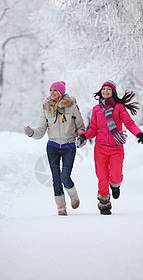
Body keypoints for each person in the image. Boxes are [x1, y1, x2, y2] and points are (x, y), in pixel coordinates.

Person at [77, 80, 143, 215]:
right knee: (102, 177)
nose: (105, 91)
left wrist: (138, 132)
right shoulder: (96, 109)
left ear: (113, 92)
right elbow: (93, 129)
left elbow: (128, 122)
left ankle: (115, 185)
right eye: (103, 89)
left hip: (116, 148)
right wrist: (84, 136)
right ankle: (104, 204)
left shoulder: (119, 107)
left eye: (108, 89)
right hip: (100, 148)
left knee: (116, 175)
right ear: (100, 92)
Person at [24, 81, 85, 216]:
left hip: (69, 146)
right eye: (51, 90)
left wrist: (82, 138)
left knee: (65, 177)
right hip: (52, 147)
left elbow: (80, 127)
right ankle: (61, 207)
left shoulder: (72, 106)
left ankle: (73, 195)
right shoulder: (46, 108)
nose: (52, 93)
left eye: (55, 90)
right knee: (55, 178)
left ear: (61, 93)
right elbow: (41, 130)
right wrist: (32, 133)